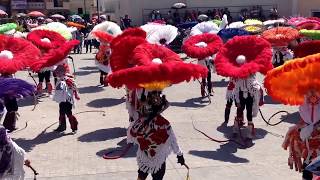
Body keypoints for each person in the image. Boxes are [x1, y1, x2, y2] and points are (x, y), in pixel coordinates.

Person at [127, 91, 185, 180]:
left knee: (142, 175)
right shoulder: (164, 124)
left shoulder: (141, 121)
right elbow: (173, 141)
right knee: (157, 177)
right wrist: (179, 155)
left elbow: (131, 134)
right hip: (159, 159)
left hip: (144, 157)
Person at [53, 64, 80, 133]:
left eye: (57, 72)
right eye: (56, 72)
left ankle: (74, 127)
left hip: (67, 100)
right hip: (62, 99)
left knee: (68, 113)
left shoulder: (67, 79)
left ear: (62, 72)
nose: (56, 74)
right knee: (61, 113)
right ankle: (62, 127)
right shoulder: (61, 79)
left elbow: (72, 87)